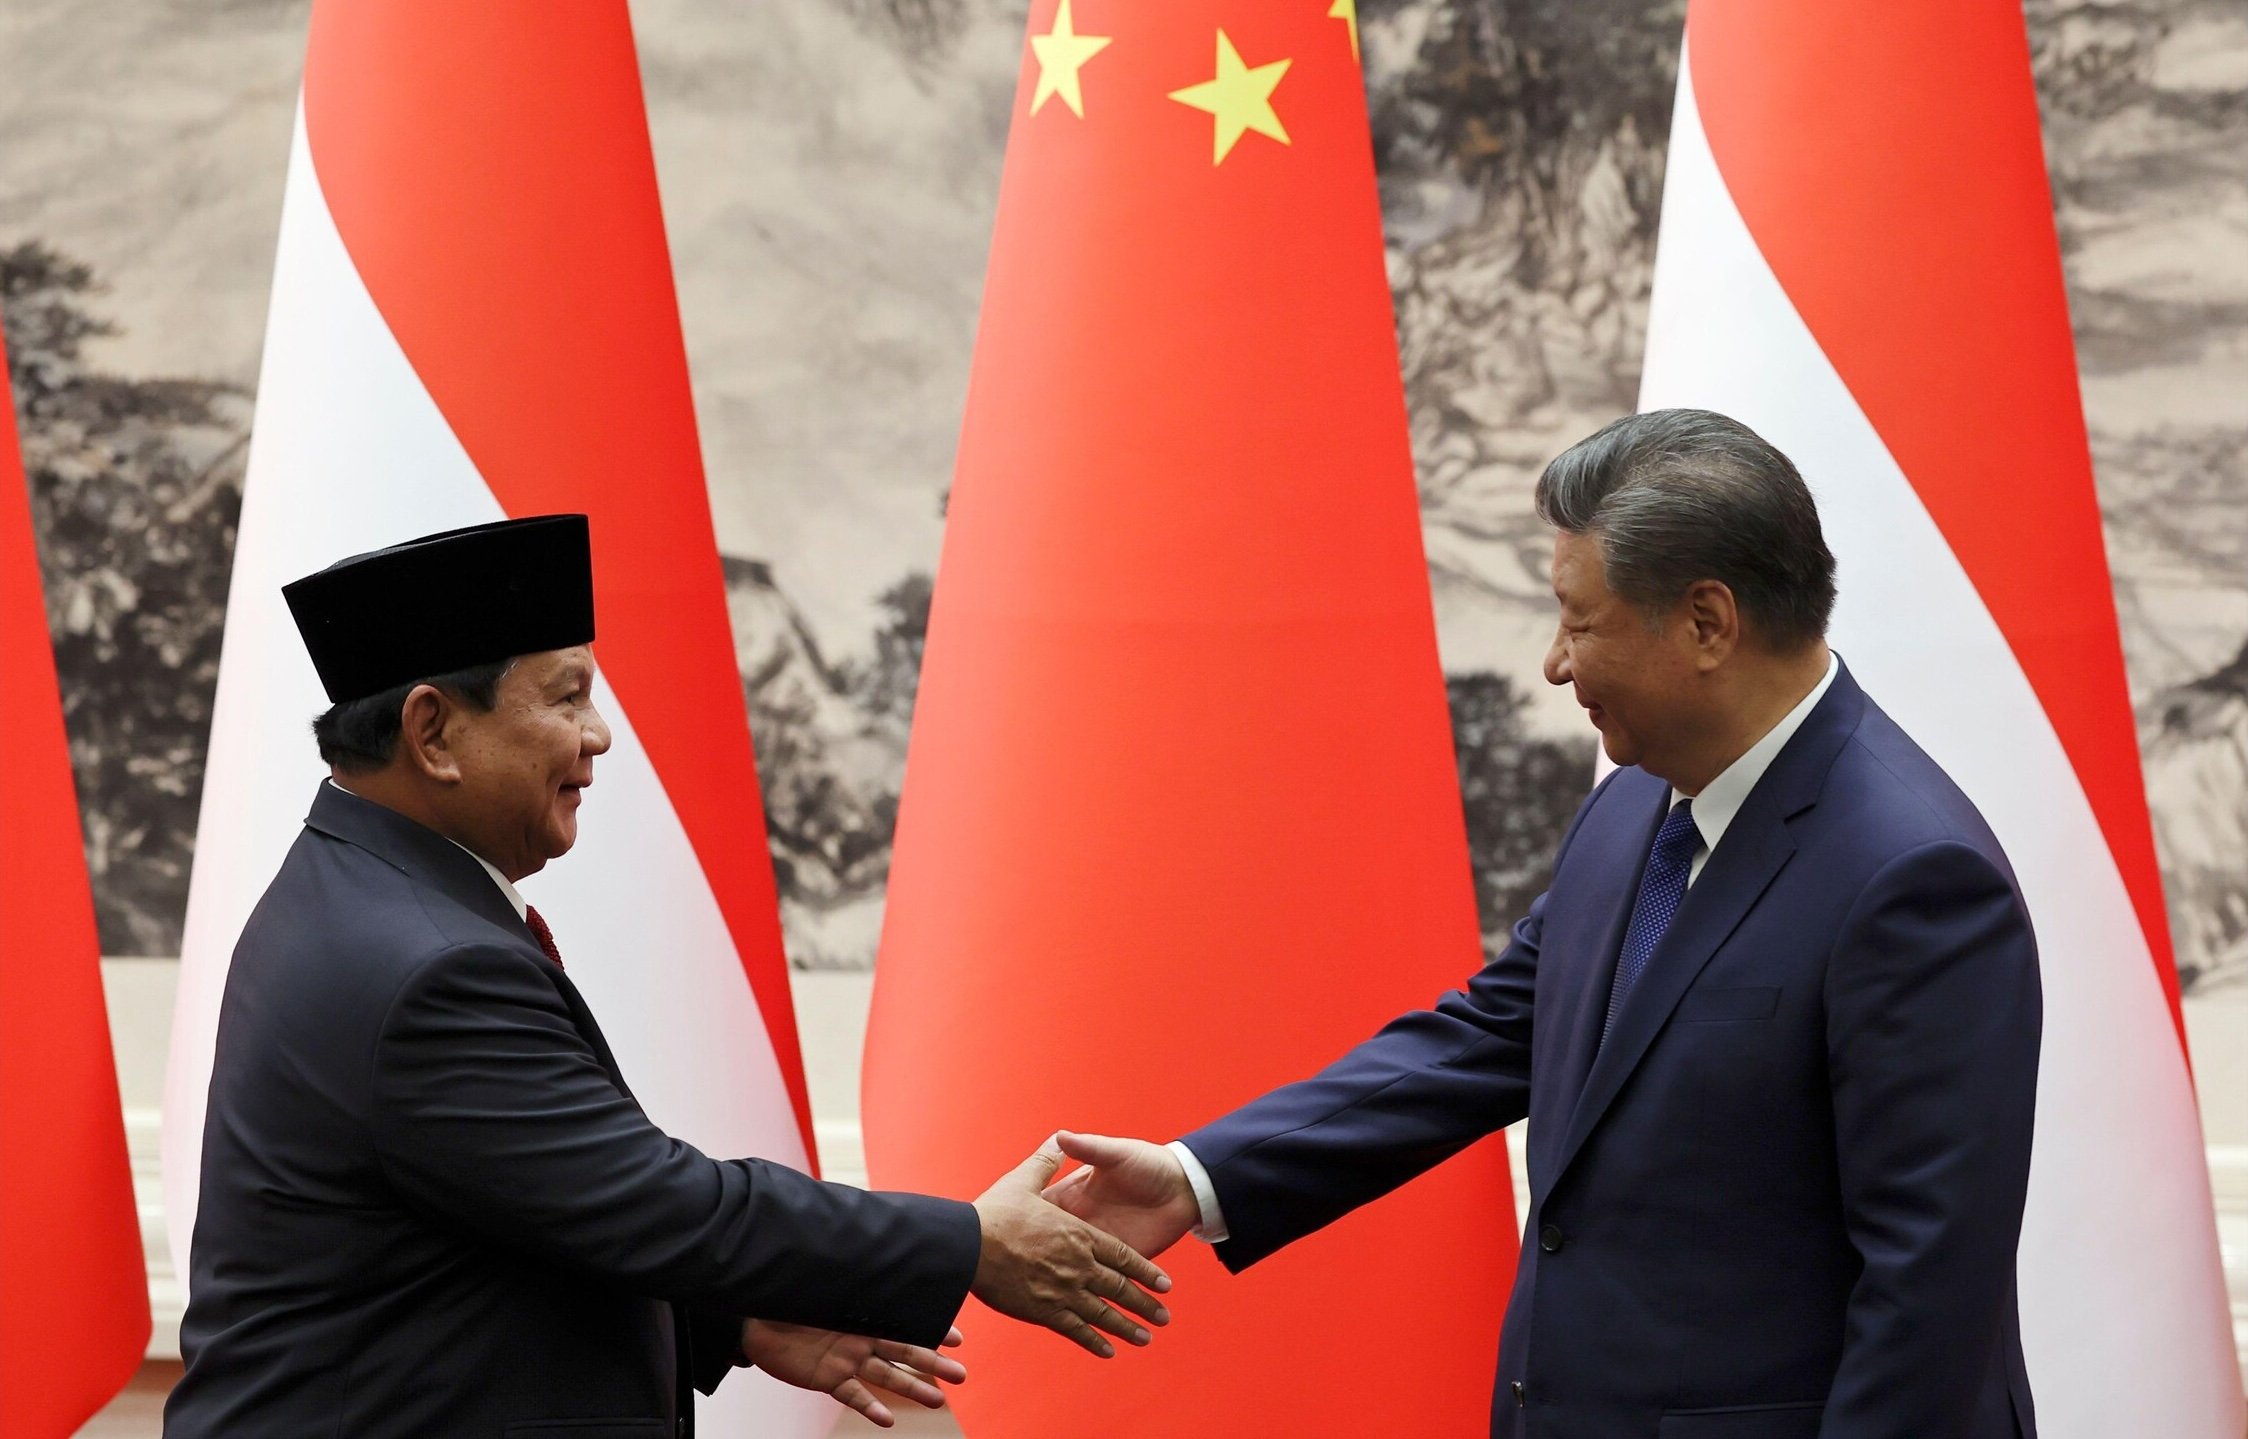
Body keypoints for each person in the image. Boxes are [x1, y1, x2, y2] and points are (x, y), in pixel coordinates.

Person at [1045, 410, 2042, 1439]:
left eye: (1579, 622)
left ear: (1708, 622)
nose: (1555, 665)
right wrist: (1199, 1176)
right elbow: (1494, 1033)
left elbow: (1929, 1292)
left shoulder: (1914, 879)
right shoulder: (1634, 804)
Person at [165, 515, 1171, 1439]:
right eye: (566, 697)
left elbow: (506, 1220)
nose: (599, 735)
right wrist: (969, 1244)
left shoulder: (352, 890)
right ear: (432, 733)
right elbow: (657, 1200)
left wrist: (729, 1321)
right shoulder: (431, 963)